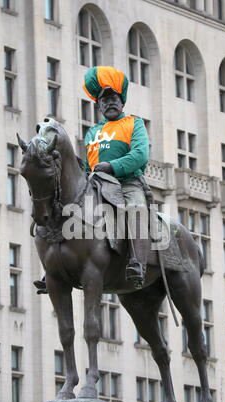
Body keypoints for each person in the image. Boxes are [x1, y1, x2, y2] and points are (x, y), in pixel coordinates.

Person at [83, 66, 150, 288]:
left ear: (122, 102)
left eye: (114, 98)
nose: (109, 102)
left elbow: (140, 155)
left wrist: (112, 166)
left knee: (136, 209)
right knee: (68, 211)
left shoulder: (133, 123)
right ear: (99, 105)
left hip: (127, 183)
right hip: (96, 186)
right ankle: (57, 268)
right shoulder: (92, 132)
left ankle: (137, 264)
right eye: (104, 100)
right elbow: (87, 164)